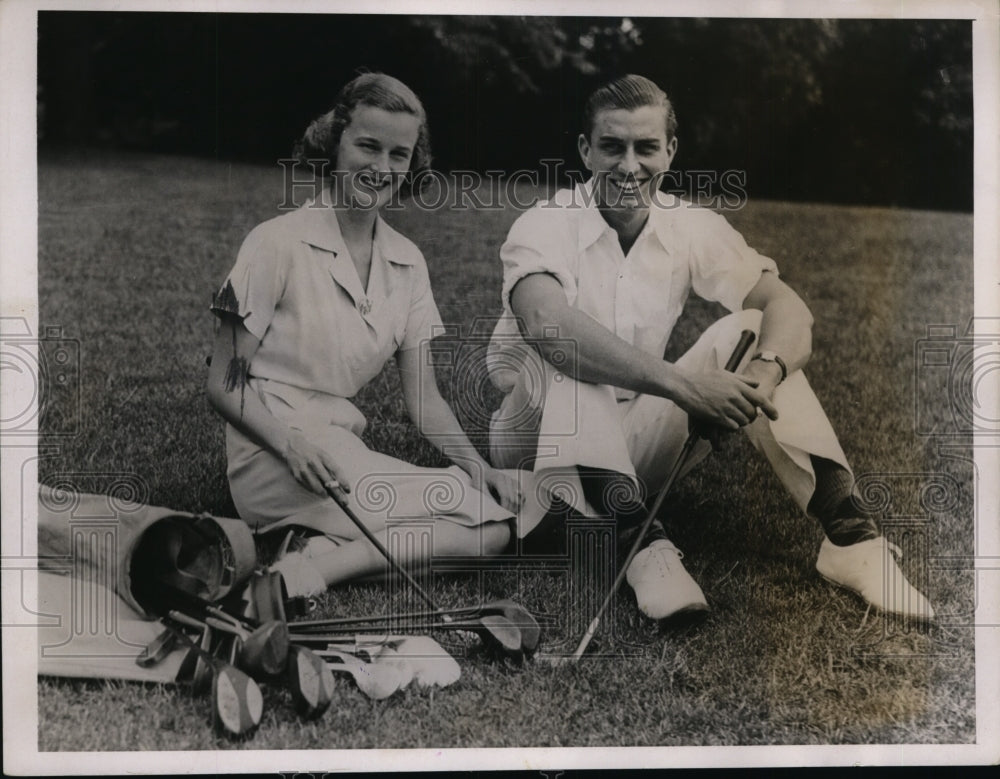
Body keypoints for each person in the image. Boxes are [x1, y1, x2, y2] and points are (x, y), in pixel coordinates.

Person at [487, 74, 934, 622]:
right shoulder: (544, 222)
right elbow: (548, 325)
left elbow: (788, 308)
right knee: (568, 354)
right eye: (612, 147)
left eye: (646, 147)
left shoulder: (690, 224)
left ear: (670, 152)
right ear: (585, 151)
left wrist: (761, 380)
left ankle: (850, 540)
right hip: (534, 450)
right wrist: (685, 385)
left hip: (631, 447)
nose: (630, 166)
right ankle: (643, 548)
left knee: (751, 328)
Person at [207, 73, 520, 597]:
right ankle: (305, 572)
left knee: (489, 530)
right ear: (334, 144)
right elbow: (223, 384)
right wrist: (290, 446)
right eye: (368, 147)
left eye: (399, 155)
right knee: (487, 529)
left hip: (338, 451)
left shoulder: (407, 262)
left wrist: (475, 464)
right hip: (273, 454)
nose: (381, 168)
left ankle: (319, 556)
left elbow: (425, 399)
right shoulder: (275, 243)